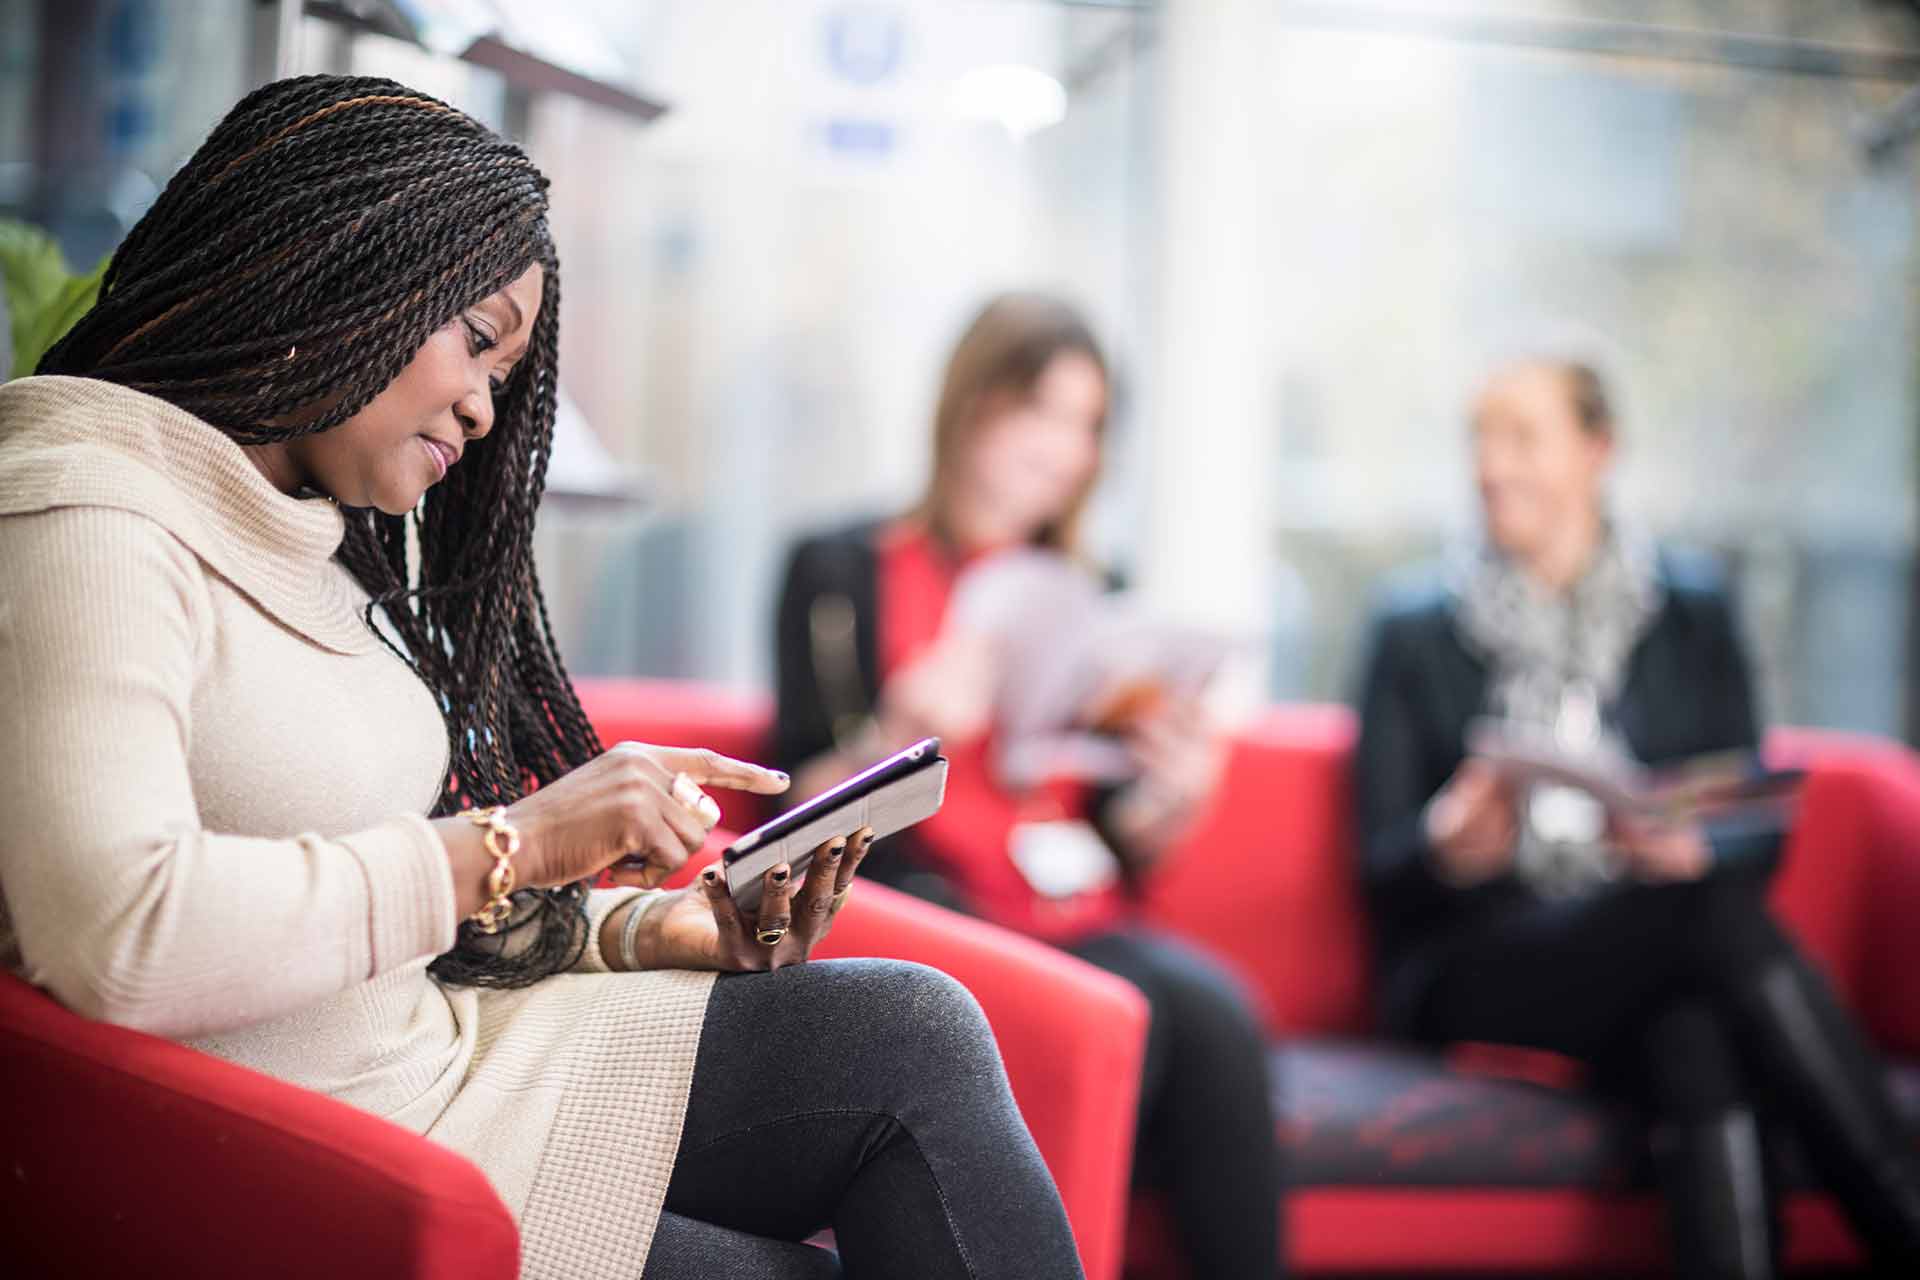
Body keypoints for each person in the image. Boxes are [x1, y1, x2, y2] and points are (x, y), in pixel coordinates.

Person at [0, 75, 1086, 1280]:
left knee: (912, 1029)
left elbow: (389, 900)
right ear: (335, 267)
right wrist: (513, 841)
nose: (480, 405)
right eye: (474, 342)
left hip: (453, 1061)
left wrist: (649, 925)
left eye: (504, 375)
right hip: (321, 1141)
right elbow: (123, 934)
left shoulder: (306, 527)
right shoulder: (87, 516)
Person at [1351, 355, 1920, 1278]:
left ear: (1597, 450)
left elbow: (1756, 821)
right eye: (1479, 440)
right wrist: (1444, 849)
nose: (1491, 466)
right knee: (1710, 926)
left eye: (1522, 437)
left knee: (1694, 1034)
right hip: (1479, 955)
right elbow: (1379, 868)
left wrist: (1690, 846)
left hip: (1649, 936)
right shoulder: (1411, 625)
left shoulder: (1693, 611)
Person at [773, 293, 1281, 1280]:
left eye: (1088, 426)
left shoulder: (1091, 586)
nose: (1065, 450)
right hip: (930, 903)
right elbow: (794, 815)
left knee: (1217, 1010)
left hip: (1061, 899)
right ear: (974, 407)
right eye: (1042, 413)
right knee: (1135, 1004)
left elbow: (1109, 827)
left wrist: (1170, 801)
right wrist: (896, 731)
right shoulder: (840, 567)